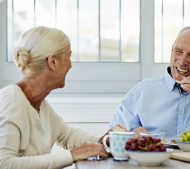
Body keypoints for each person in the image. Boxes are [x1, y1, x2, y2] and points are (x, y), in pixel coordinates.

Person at [0, 26, 109, 169]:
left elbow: (67, 135)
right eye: (68, 57)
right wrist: (73, 155)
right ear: (53, 62)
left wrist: (104, 141)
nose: (70, 65)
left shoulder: (39, 103)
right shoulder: (11, 100)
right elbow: (4, 164)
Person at [108, 26, 190, 141]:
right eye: (178, 52)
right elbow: (112, 136)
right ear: (171, 51)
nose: (182, 61)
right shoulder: (141, 92)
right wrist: (132, 134)